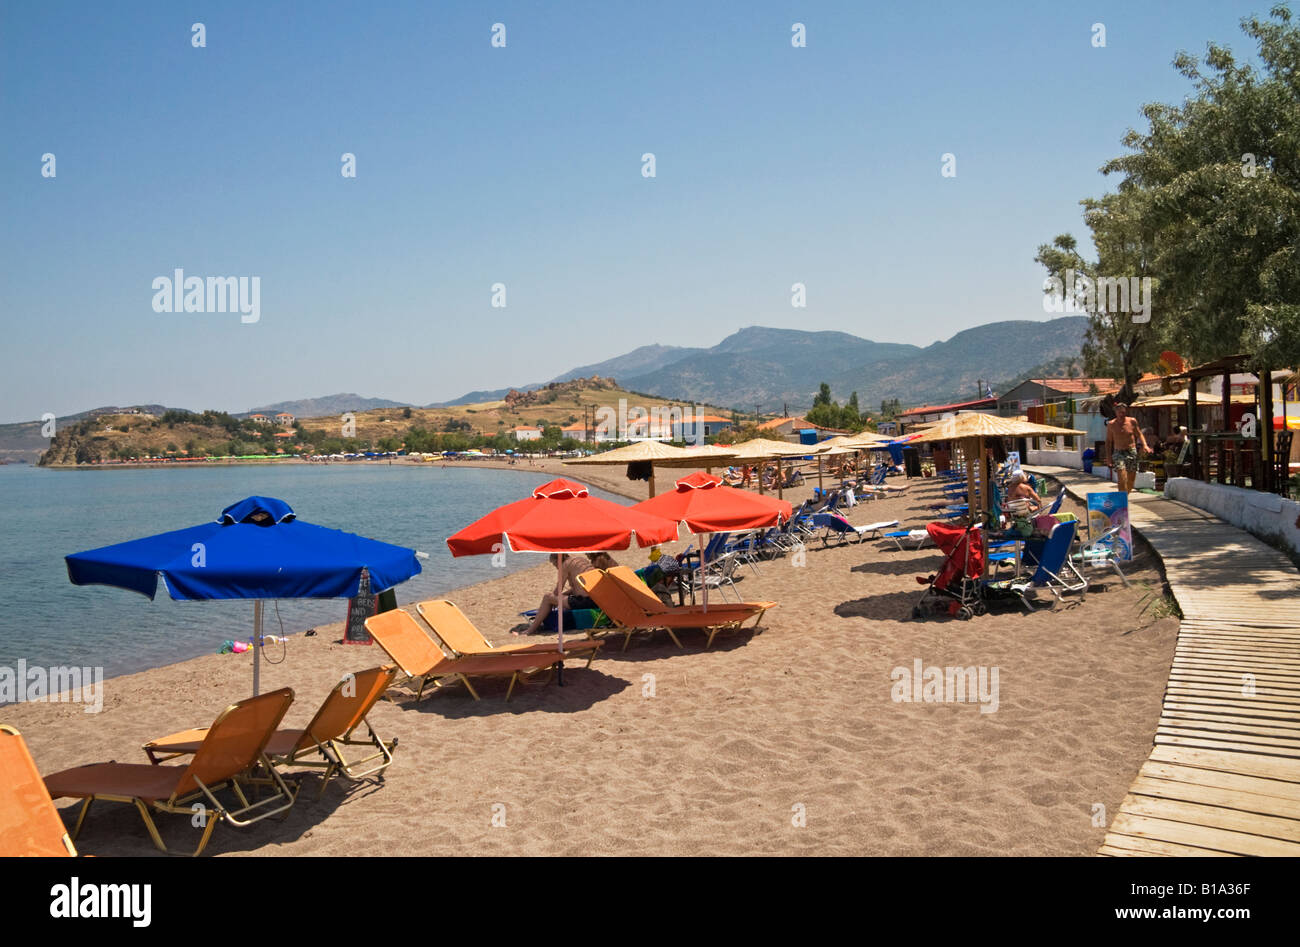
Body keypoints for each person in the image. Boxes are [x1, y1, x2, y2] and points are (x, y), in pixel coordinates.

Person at [514, 552, 598, 635]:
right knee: (557, 598)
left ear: (558, 560)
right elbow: (578, 588)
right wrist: (561, 596)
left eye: (554, 564)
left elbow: (557, 591)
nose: (556, 567)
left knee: (547, 597)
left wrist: (553, 599)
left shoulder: (565, 565)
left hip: (585, 602)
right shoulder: (580, 560)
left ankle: (531, 630)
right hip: (597, 599)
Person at [1106, 402, 1151, 493]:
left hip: (1131, 451)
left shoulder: (1132, 421)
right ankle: (1121, 499)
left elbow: (1139, 434)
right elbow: (1108, 441)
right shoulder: (1111, 424)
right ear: (1116, 412)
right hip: (1119, 452)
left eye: (1123, 412)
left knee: (1131, 479)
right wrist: (1108, 458)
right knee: (1122, 476)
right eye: (1119, 412)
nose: (1121, 414)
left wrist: (1145, 445)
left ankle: (1125, 496)